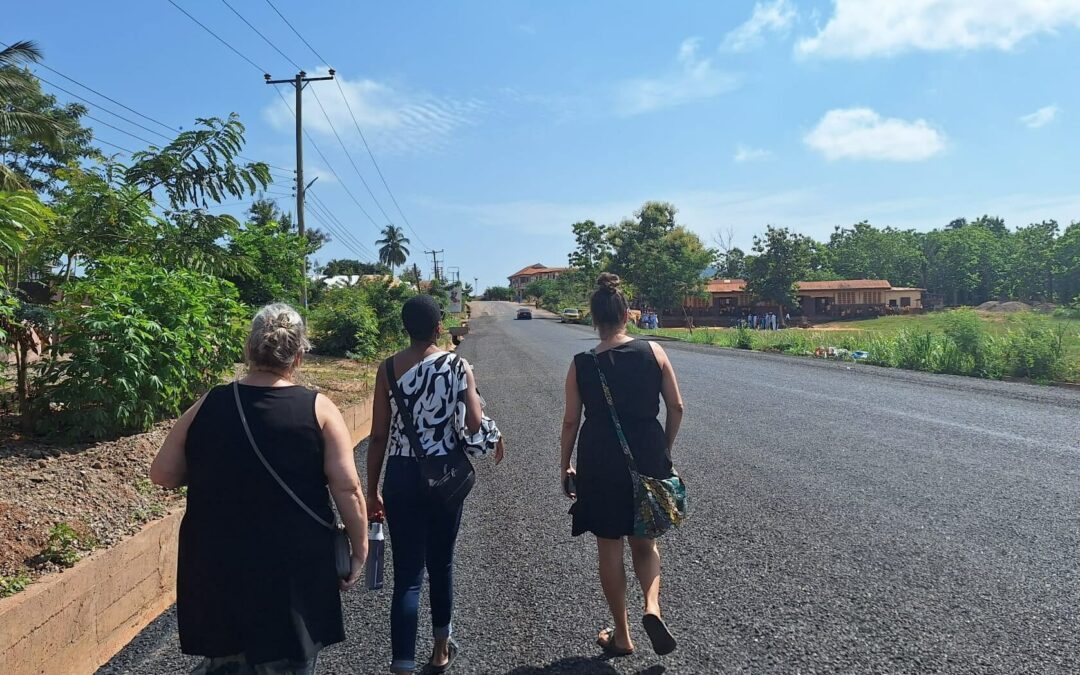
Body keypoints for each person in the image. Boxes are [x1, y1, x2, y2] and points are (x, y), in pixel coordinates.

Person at [150, 303, 368, 675]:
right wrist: (360, 547)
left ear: (249, 350)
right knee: (290, 659)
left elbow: (163, 474)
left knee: (228, 660)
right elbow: (347, 487)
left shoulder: (210, 402)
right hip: (293, 568)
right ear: (298, 356)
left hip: (219, 562)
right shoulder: (319, 408)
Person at [367, 295, 505, 674]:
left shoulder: (387, 369)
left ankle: (402, 664)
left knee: (408, 575)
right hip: (444, 474)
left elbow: (378, 436)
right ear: (439, 327)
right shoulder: (457, 365)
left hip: (399, 475)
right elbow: (474, 424)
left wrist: (371, 490)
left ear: (405, 327)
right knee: (441, 563)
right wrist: (494, 433)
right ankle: (441, 649)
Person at [560, 273, 685, 658]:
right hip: (647, 451)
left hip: (600, 457)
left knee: (608, 545)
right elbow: (677, 407)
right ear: (626, 315)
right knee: (644, 540)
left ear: (594, 320)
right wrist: (662, 448)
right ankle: (652, 606)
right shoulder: (655, 352)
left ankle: (622, 635)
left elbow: (570, 421)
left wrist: (564, 465)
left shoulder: (581, 363)